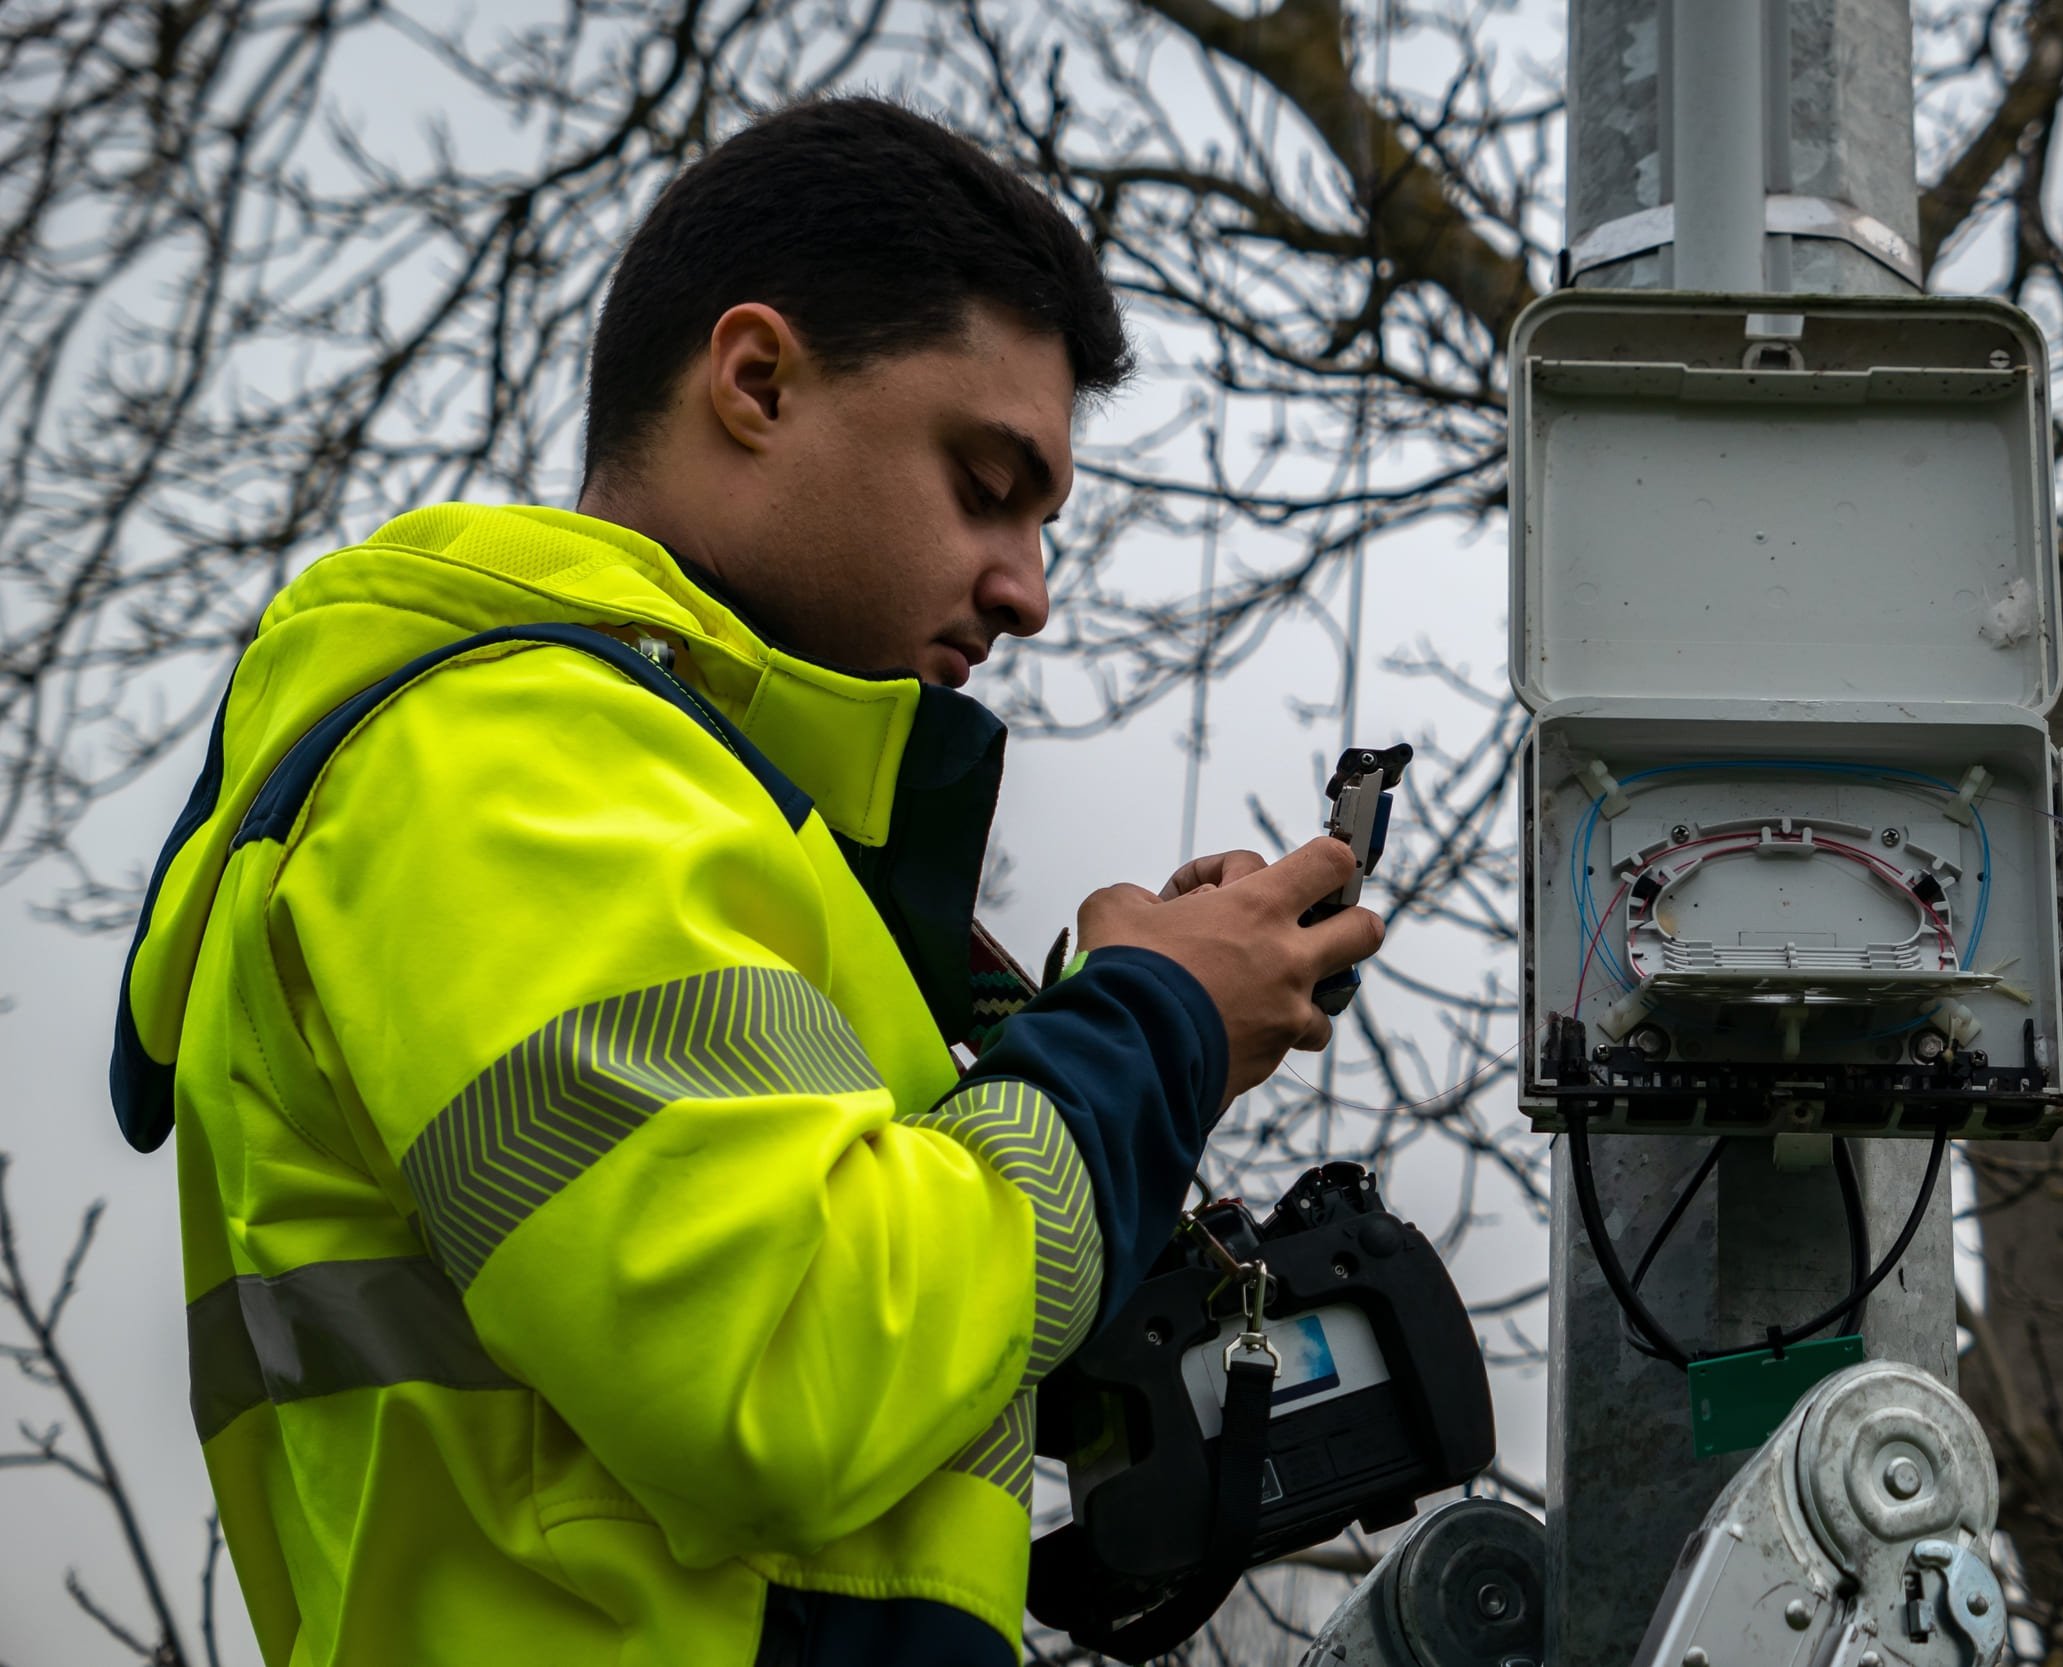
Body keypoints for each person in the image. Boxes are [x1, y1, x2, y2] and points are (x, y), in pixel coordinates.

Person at [107, 96, 1384, 1667]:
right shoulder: (514, 757)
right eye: (986, 485)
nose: (1029, 593)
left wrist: (1106, 1025)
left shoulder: (679, 817)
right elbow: (786, 1364)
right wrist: (1150, 1029)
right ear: (758, 382)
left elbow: (867, 1334)